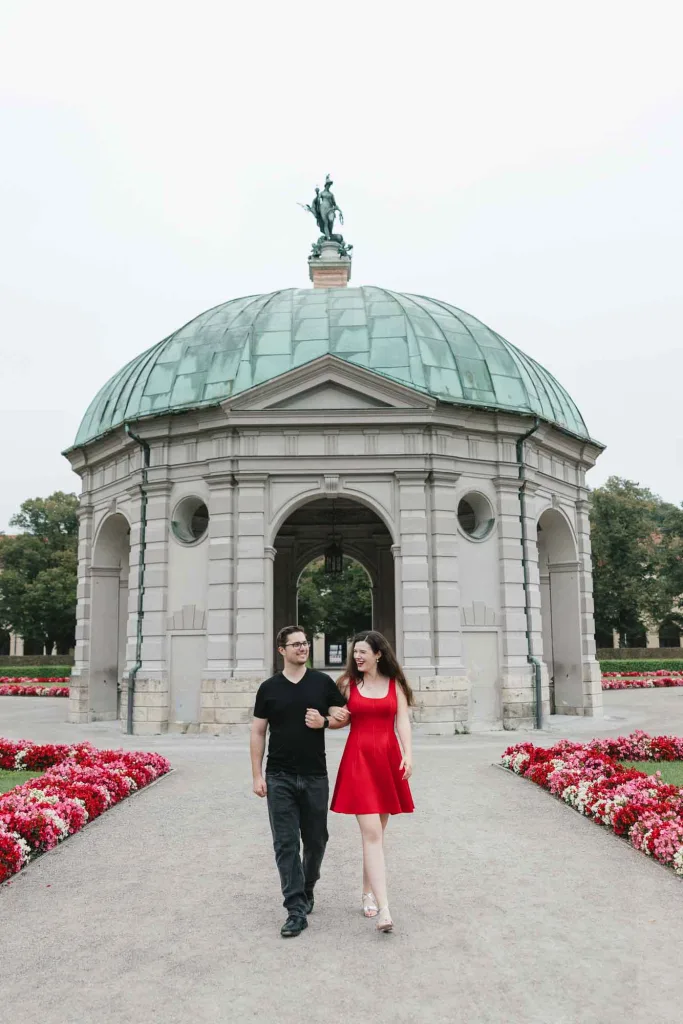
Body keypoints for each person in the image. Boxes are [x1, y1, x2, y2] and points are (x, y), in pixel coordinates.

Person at [250, 625, 349, 938]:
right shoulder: (269, 688)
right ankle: (295, 908)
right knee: (286, 842)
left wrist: (327, 721)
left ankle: (307, 886)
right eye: (295, 644)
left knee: (317, 839)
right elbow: (257, 731)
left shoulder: (321, 683)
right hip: (278, 775)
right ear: (282, 650)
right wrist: (256, 774)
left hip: (315, 775)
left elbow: (342, 715)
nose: (302, 648)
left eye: (305, 643)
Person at [330, 630, 414, 934]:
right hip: (359, 762)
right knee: (372, 835)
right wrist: (331, 716)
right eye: (355, 653)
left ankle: (366, 892)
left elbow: (402, 720)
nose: (358, 657)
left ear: (379, 654)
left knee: (376, 835)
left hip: (388, 762)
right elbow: (338, 717)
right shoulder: (348, 685)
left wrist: (408, 754)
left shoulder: (396, 685)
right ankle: (385, 909)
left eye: (363, 652)